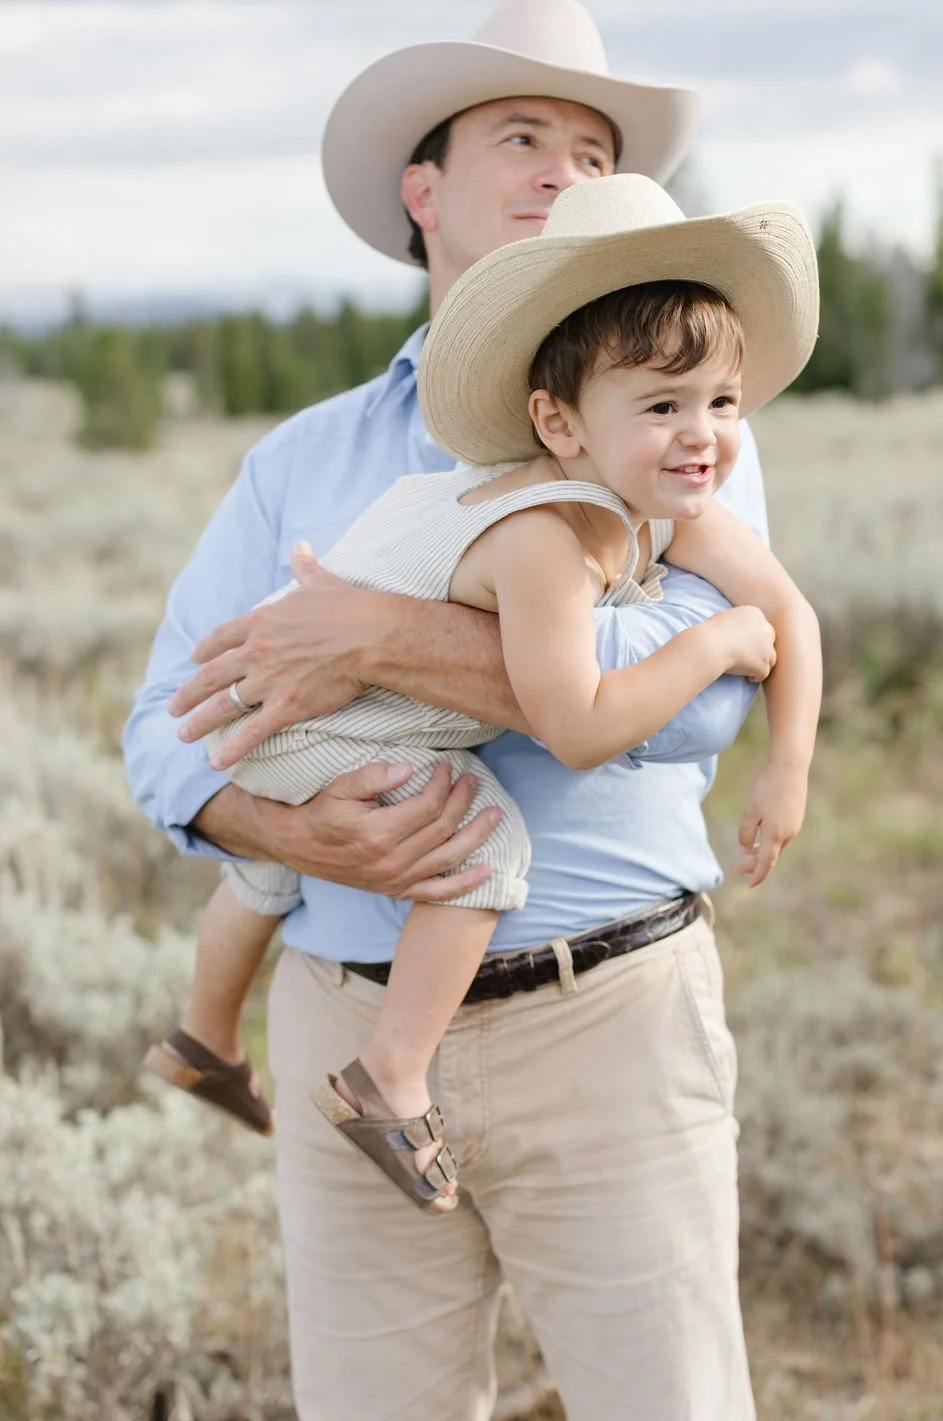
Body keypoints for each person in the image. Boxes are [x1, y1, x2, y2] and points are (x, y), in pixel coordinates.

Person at [125, 1, 803, 1421]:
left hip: (608, 1023)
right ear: (422, 190)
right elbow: (158, 730)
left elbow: (701, 701)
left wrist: (371, 640)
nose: (566, 165)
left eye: (595, 145)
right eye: (522, 136)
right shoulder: (299, 460)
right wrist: (283, 825)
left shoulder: (679, 425)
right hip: (340, 1015)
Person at [145, 176, 821, 1223]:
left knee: (273, 870)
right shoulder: (545, 533)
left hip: (307, 717)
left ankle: (203, 1036)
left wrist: (787, 767)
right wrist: (714, 640)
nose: (704, 436)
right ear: (560, 424)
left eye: (721, 403)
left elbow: (794, 614)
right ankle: (388, 1075)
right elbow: (581, 725)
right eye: (661, 406)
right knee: (479, 842)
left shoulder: (669, 494)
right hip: (299, 718)